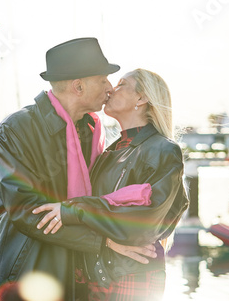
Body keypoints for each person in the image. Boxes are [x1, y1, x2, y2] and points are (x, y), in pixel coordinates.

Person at [0, 38, 157, 300]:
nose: (110, 87)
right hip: (30, 276)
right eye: (103, 80)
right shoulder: (16, 130)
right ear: (78, 86)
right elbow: (27, 211)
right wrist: (104, 241)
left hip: (79, 277)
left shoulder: (91, 130)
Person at [34, 68, 189, 300]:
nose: (110, 90)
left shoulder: (163, 150)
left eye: (121, 84)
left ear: (141, 98)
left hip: (132, 275)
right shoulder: (110, 152)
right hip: (99, 273)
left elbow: (144, 222)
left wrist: (73, 209)